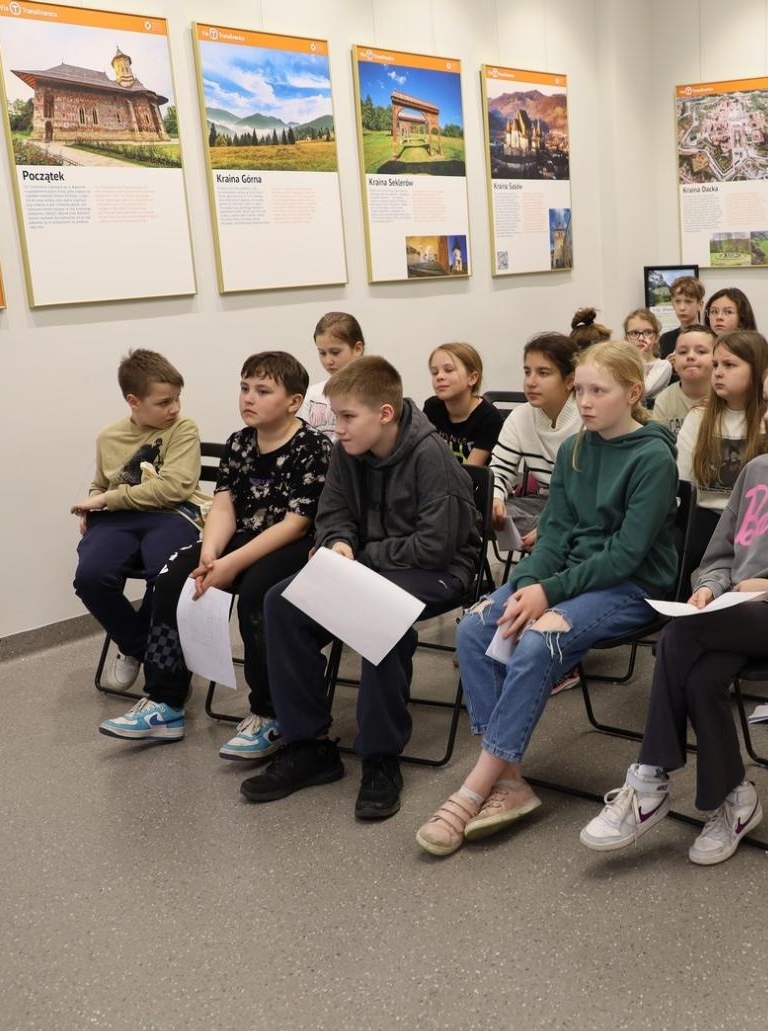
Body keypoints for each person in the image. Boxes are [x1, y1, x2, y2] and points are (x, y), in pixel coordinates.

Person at [580, 352, 768, 865]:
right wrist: (709, 588)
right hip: (731, 616)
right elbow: (719, 556)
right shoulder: (759, 470)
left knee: (679, 637)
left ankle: (650, 777)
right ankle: (736, 801)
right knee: (698, 677)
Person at [418, 341, 681, 856]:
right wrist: (522, 586)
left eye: (597, 391)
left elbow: (627, 556)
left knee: (539, 643)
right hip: (573, 577)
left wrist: (548, 592)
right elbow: (555, 534)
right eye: (579, 389)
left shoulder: (652, 457)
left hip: (633, 586)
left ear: (632, 393)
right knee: (476, 627)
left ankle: (476, 786)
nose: (583, 401)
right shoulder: (577, 449)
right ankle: (509, 779)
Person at [241, 357, 482, 819]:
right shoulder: (346, 451)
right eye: (337, 418)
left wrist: (360, 556)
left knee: (379, 615)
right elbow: (331, 512)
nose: (340, 428)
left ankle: (380, 756)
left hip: (440, 570)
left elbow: (434, 548)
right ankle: (308, 745)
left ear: (385, 414)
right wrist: (338, 542)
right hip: (371, 563)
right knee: (282, 601)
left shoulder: (432, 458)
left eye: (348, 417)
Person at [99, 351, 332, 757]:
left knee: (259, 594)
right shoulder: (239, 443)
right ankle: (165, 701)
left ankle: (268, 713)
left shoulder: (312, 446)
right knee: (173, 577)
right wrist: (210, 555)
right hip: (238, 539)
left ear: (294, 402)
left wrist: (231, 564)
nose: (248, 398)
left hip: (290, 544)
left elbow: (295, 523)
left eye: (262, 391)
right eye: (244, 388)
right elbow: (223, 505)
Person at [71, 350, 205, 693]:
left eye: (177, 398)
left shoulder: (183, 428)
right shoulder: (109, 436)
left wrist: (106, 499)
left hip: (171, 516)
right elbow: (101, 484)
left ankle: (161, 669)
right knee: (90, 578)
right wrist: (93, 504)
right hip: (118, 519)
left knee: (166, 576)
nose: (174, 408)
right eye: (163, 402)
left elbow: (173, 490)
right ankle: (142, 650)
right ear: (134, 401)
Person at [488, 332, 582, 550]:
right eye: (527, 372)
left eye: (543, 373)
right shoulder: (520, 416)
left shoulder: (587, 416)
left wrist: (553, 525)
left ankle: (554, 537)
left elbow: (595, 497)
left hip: (582, 510)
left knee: (583, 528)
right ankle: (552, 538)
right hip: (542, 505)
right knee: (475, 510)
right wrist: (495, 499)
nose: (531, 382)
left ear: (569, 381)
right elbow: (499, 472)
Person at [676, 328, 768, 511]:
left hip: (761, 521)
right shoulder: (698, 417)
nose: (718, 373)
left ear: (757, 369)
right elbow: (683, 482)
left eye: (729, 365)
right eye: (715, 365)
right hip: (706, 520)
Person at [423, 342, 504, 466]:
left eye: (448, 370)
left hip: (470, 483)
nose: (439, 377)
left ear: (472, 378)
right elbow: (424, 457)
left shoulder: (489, 418)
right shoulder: (432, 407)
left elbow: (471, 473)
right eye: (434, 372)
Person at [302, 312, 365, 432]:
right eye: (322, 353)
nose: (328, 361)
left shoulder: (375, 391)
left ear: (358, 349)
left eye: (335, 352)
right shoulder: (313, 394)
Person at [651, 323, 714, 430]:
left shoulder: (727, 397)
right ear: (674, 362)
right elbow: (659, 442)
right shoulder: (665, 400)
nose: (690, 356)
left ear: (716, 359)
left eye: (701, 351)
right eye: (683, 352)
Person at [623, 308, 673, 398]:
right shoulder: (622, 365)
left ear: (656, 337)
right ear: (627, 338)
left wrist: (641, 358)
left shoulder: (663, 365)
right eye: (634, 333)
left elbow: (644, 390)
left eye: (648, 332)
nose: (641, 338)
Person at [658, 275, 705, 357]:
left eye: (688, 301)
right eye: (677, 301)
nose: (682, 308)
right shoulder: (666, 339)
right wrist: (666, 365)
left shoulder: (711, 337)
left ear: (700, 305)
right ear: (672, 304)